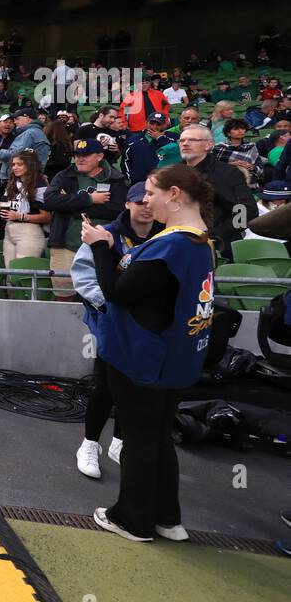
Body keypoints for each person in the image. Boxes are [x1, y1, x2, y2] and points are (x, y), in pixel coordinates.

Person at [83, 165, 216, 542]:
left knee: (140, 439)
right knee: (156, 437)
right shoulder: (200, 240)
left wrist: (98, 246)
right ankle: (166, 518)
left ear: (174, 194)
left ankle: (133, 519)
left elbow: (116, 291)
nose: (146, 201)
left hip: (143, 356)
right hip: (176, 357)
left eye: (152, 194)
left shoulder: (171, 244)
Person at [69, 181, 163, 479]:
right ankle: (89, 444)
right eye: (139, 202)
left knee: (135, 385)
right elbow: (83, 276)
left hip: (147, 325)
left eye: (150, 201)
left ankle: (120, 442)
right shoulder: (105, 233)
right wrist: (109, 306)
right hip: (111, 322)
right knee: (105, 384)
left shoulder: (166, 237)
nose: (146, 207)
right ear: (128, 204)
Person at [42, 137, 127, 300]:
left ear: (100, 156)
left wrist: (71, 206)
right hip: (65, 246)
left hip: (100, 249)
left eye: (86, 154)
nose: (79, 158)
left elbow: (117, 209)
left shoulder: (115, 178)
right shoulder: (65, 175)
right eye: (77, 154)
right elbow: (49, 200)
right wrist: (90, 199)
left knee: (99, 297)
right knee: (64, 296)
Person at [176, 125, 257, 258]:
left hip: (216, 248)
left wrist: (217, 235)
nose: (185, 144)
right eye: (182, 140)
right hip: (178, 242)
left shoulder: (227, 173)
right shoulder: (173, 174)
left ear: (209, 145)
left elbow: (246, 211)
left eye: (192, 140)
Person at [0, 152, 50, 265]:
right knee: (10, 275)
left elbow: (47, 216)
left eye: (19, 164)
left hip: (29, 231)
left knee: (23, 274)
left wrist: (21, 216)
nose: (15, 167)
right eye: (13, 164)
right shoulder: (13, 182)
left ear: (30, 165)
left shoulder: (40, 184)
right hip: (9, 229)